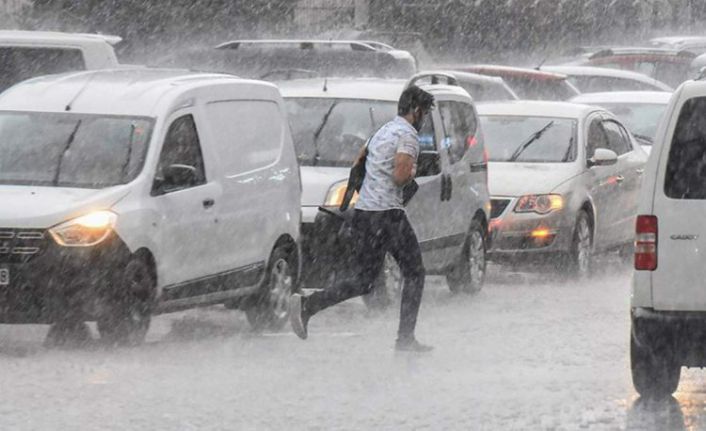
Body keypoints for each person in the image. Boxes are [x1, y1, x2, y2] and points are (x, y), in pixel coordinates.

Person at [289, 85, 434, 352]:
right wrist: (413, 170)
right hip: (388, 214)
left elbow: (358, 164)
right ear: (415, 110)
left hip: (365, 213)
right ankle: (405, 339)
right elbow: (400, 176)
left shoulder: (381, 132)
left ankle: (308, 305)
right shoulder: (408, 135)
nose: (423, 119)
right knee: (415, 272)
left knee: (364, 280)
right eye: (423, 113)